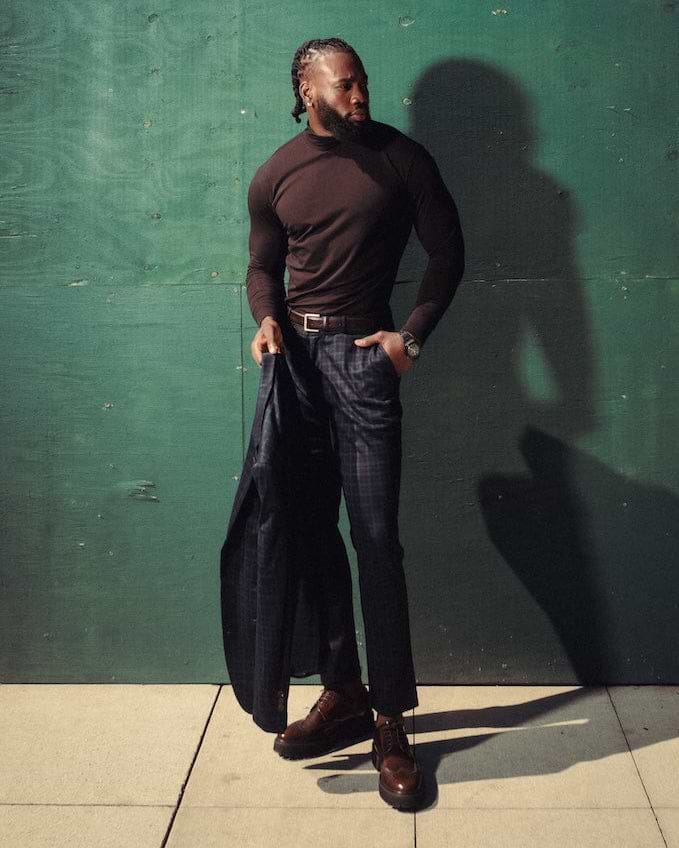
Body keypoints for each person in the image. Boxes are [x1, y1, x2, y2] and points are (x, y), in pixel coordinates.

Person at [244, 36, 465, 810]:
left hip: (363, 358)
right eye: (344, 84)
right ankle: (342, 689)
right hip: (294, 366)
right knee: (308, 532)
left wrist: (410, 339)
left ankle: (391, 723)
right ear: (308, 91)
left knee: (374, 539)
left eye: (362, 80)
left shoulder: (400, 158)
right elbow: (261, 266)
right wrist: (267, 320)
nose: (359, 93)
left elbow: (447, 255)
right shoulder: (275, 173)